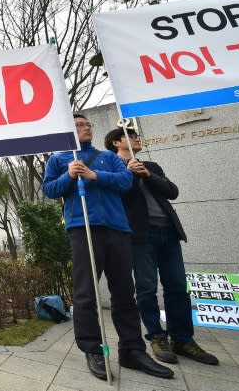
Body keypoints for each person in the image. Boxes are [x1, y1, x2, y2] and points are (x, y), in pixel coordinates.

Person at [43, 114, 173, 381]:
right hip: (83, 228)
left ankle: (132, 350)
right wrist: (69, 176)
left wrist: (93, 175)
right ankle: (92, 349)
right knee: (85, 294)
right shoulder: (59, 159)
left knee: (125, 293)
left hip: (118, 229)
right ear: (68, 129)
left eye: (88, 124)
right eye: (79, 125)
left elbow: (125, 182)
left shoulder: (109, 157)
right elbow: (50, 190)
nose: (86, 128)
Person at [105, 127, 219, 366]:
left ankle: (183, 339)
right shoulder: (110, 167)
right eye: (131, 136)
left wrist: (147, 174)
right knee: (146, 288)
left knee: (177, 286)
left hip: (168, 233)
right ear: (117, 142)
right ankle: (157, 337)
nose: (137, 139)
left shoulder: (152, 165)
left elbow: (172, 192)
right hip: (139, 236)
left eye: (137, 135)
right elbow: (115, 198)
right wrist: (129, 174)